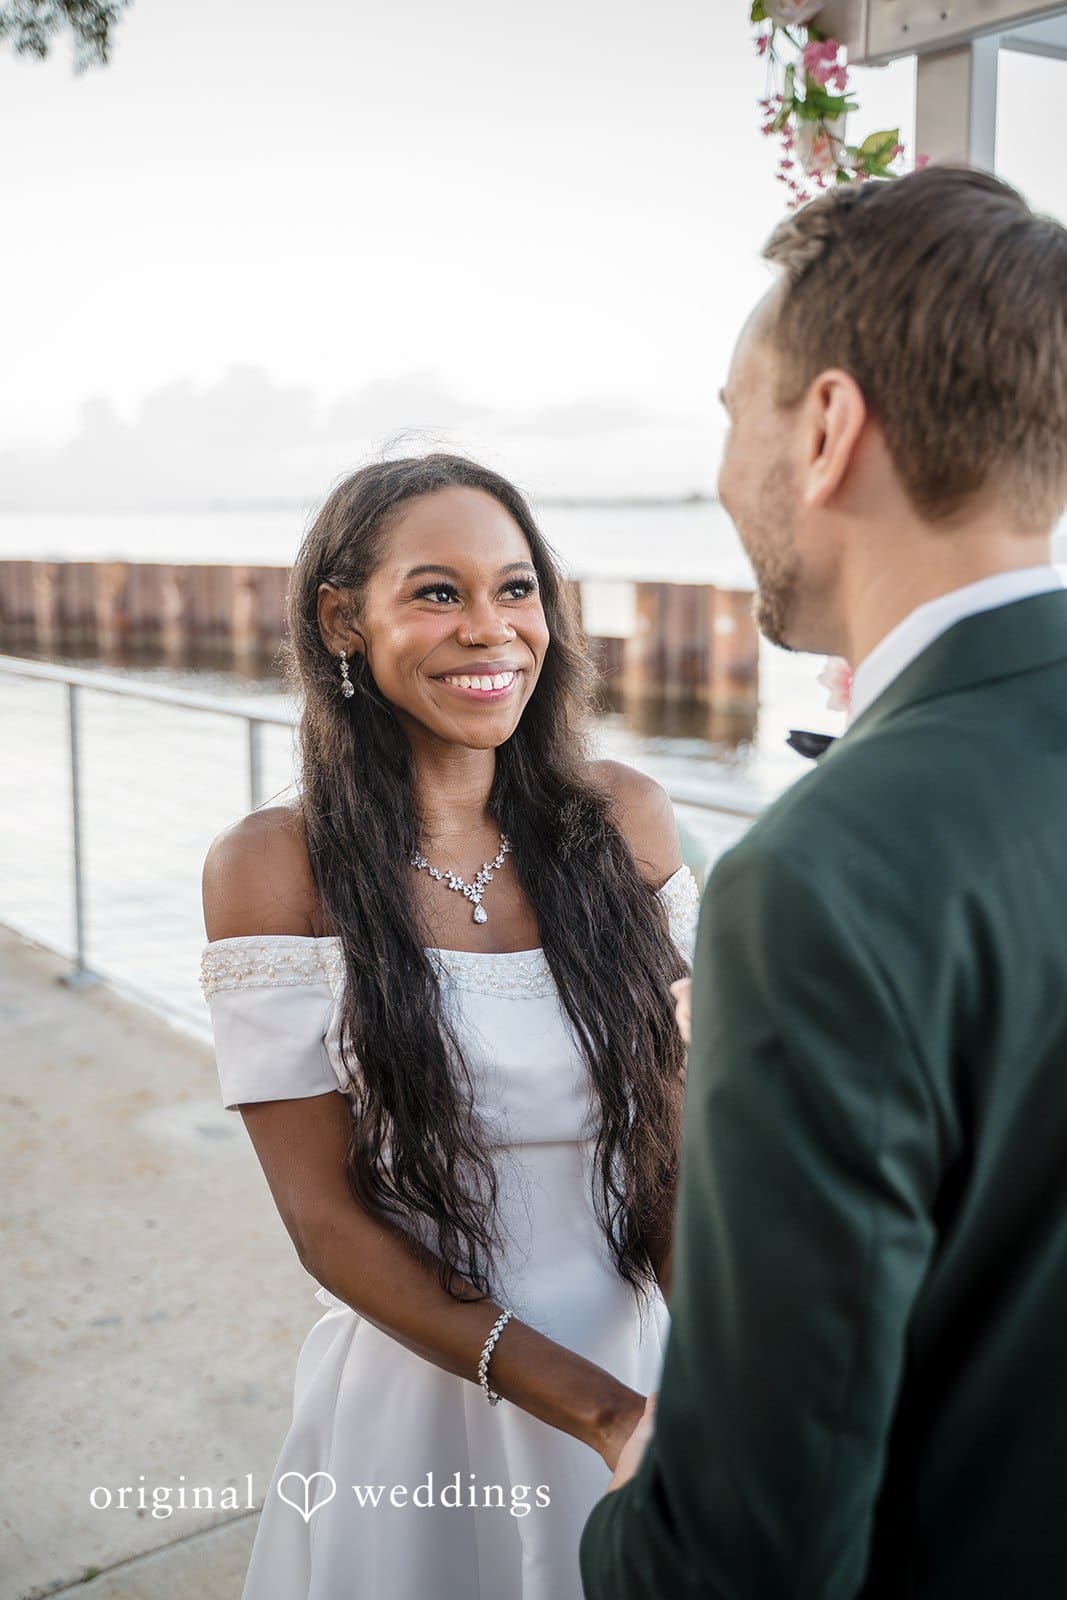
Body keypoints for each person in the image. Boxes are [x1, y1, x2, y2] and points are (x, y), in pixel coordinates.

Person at [579, 164, 1067, 1598]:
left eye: (731, 418)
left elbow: (748, 1555)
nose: (725, 470)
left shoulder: (816, 882)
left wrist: (631, 1498)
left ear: (825, 429)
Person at [199, 453, 700, 1600]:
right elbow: (325, 1221)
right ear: (342, 620)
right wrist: (597, 1413)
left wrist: (713, 1380)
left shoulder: (624, 820)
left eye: (515, 589)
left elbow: (674, 1157)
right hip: (425, 1394)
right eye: (437, 592)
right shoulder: (273, 868)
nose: (491, 629)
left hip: (641, 1362)